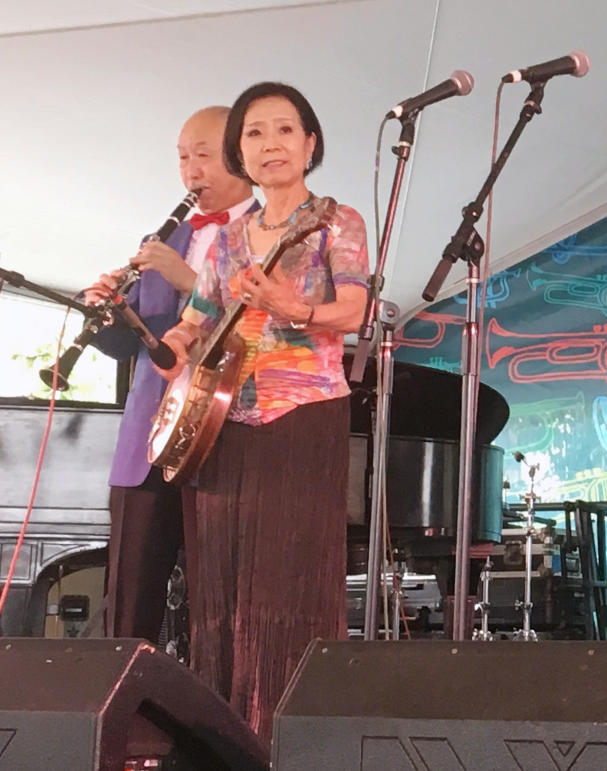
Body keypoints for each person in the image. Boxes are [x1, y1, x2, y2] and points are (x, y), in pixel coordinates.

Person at [157, 82, 368, 741]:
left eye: (284, 130)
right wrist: (170, 345)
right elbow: (199, 318)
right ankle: (220, 738)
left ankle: (289, 737)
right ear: (239, 152)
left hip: (302, 420)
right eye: (253, 133)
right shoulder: (226, 239)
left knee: (288, 585)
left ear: (310, 144)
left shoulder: (337, 222)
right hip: (222, 425)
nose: (269, 144)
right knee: (218, 589)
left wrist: (293, 306)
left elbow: (355, 312)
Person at [85, 106, 255, 642]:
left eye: (203, 155)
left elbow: (262, 333)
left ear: (239, 157)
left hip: (227, 434)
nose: (190, 171)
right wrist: (107, 313)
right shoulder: (165, 238)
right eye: (182, 158)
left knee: (220, 603)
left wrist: (190, 280)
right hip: (149, 438)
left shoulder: (272, 233)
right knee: (130, 600)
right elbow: (134, 347)